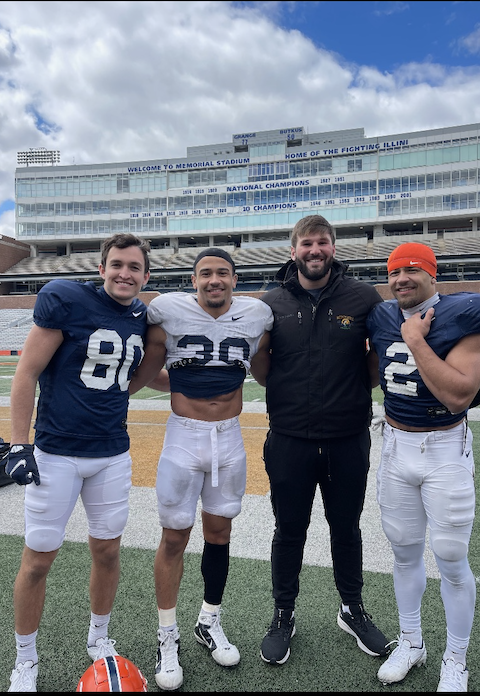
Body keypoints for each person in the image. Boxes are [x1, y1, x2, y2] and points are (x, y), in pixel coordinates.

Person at [6, 233, 151, 693]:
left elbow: (133, 377)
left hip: (112, 454)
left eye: (134, 267)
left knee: (107, 551)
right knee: (37, 560)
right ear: (102, 268)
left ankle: (98, 636)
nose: (124, 273)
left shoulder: (141, 315)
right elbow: (26, 372)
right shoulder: (66, 299)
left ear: (146, 275)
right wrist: (17, 444)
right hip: (56, 453)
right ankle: (25, 658)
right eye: (117, 265)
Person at [128, 247, 273, 691]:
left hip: (230, 435)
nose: (215, 280)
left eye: (223, 273)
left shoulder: (257, 313)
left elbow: (266, 368)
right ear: (194, 280)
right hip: (184, 436)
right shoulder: (167, 309)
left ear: (234, 279)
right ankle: (166, 634)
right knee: (174, 536)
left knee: (219, 533)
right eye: (206, 273)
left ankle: (209, 620)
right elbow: (149, 368)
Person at [250, 214, 390, 666]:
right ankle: (283, 613)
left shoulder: (364, 297)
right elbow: (261, 367)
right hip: (290, 437)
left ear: (334, 247)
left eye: (323, 242)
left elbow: (376, 363)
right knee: (289, 531)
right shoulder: (270, 302)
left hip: (348, 437)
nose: (315, 250)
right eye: (307, 243)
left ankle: (351, 609)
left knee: (345, 529)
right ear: (293, 250)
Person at [367, 242, 480, 692]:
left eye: (412, 270)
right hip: (395, 447)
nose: (402, 278)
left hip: (444, 448)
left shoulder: (467, 313)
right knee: (403, 553)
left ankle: (456, 659)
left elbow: (458, 395)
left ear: (432, 274)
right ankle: (411, 641)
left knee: (450, 557)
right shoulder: (382, 315)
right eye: (394, 272)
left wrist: (416, 340)